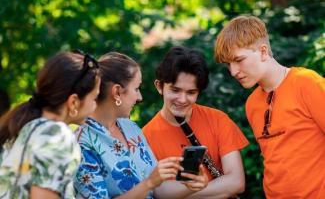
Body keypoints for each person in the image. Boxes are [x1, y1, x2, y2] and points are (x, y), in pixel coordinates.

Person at [214, 15, 325, 198]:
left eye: (239, 60)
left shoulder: (306, 83)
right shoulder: (251, 104)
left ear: (263, 51)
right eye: (228, 64)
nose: (233, 71)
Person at [74, 52, 208, 199]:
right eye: (136, 89)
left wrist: (191, 186)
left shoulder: (130, 127)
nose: (140, 97)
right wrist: (149, 183)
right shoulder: (81, 143)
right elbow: (150, 184)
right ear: (117, 92)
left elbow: (157, 189)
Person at [142, 46, 249, 198]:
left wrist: (181, 194)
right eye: (175, 90)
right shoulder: (145, 137)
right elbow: (158, 192)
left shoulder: (218, 119)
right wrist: (219, 188)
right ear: (159, 86)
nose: (182, 100)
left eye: (191, 92)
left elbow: (236, 182)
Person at [0, 50, 100, 198]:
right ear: (73, 102)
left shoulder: (28, 126)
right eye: (94, 99)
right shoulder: (57, 137)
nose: (95, 106)